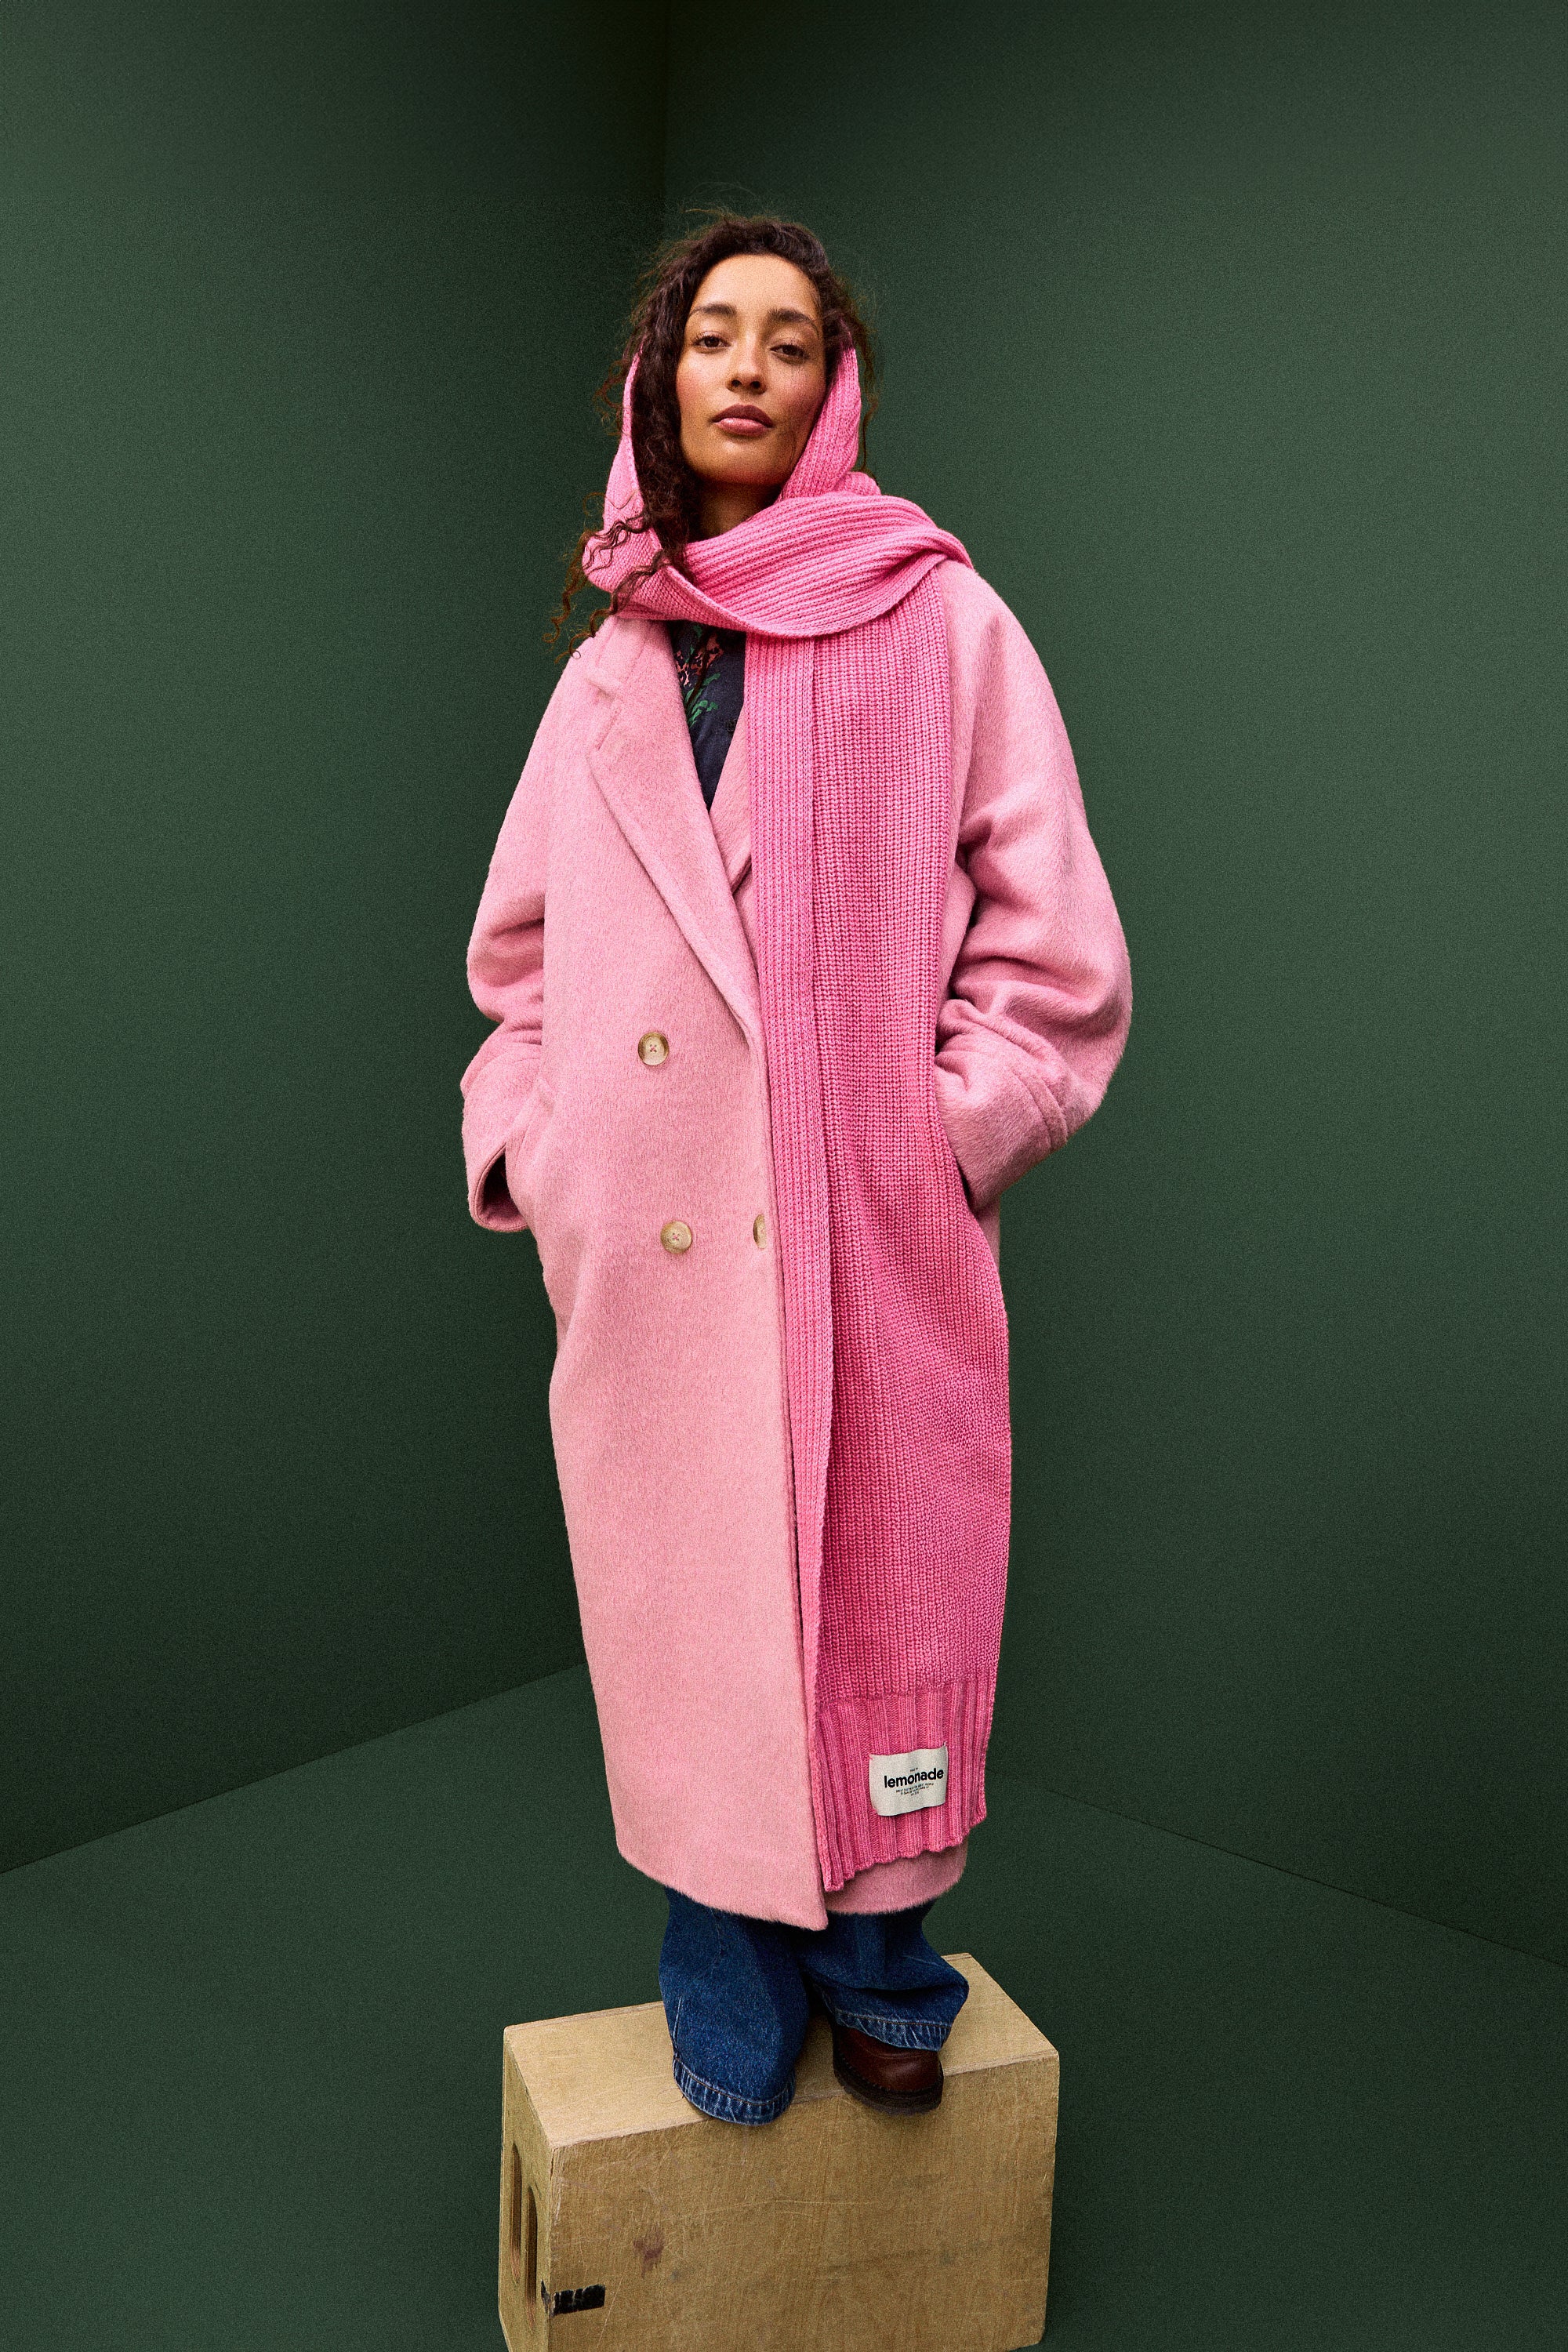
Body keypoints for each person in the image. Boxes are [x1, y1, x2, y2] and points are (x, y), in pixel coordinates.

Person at [461, 217, 1131, 2125]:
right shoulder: (611, 668)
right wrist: (541, 1153)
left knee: (886, 1599)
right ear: (656, 383)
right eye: (711, 335)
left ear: (837, 390)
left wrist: (937, 1140)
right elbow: (515, 967)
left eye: (790, 339)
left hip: (866, 1225)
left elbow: (1056, 951)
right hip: (654, 1247)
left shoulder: (944, 620)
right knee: (692, 1624)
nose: (746, 366)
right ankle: (729, 1959)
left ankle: (881, 1959)